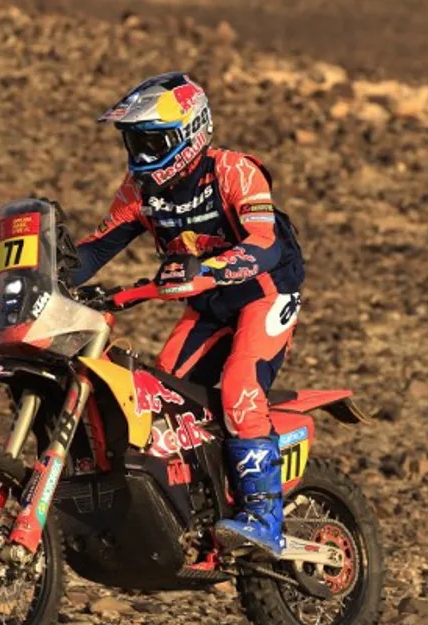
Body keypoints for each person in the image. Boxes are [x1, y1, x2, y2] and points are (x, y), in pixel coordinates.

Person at [68, 72, 306, 559]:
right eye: (133, 140)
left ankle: (265, 519)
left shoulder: (235, 171)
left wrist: (211, 267)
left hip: (264, 292)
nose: (140, 153)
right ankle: (197, 509)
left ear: (189, 135)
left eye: (151, 140)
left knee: (241, 385)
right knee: (162, 399)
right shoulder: (139, 189)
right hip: (207, 305)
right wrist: (44, 272)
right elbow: (94, 249)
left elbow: (265, 244)